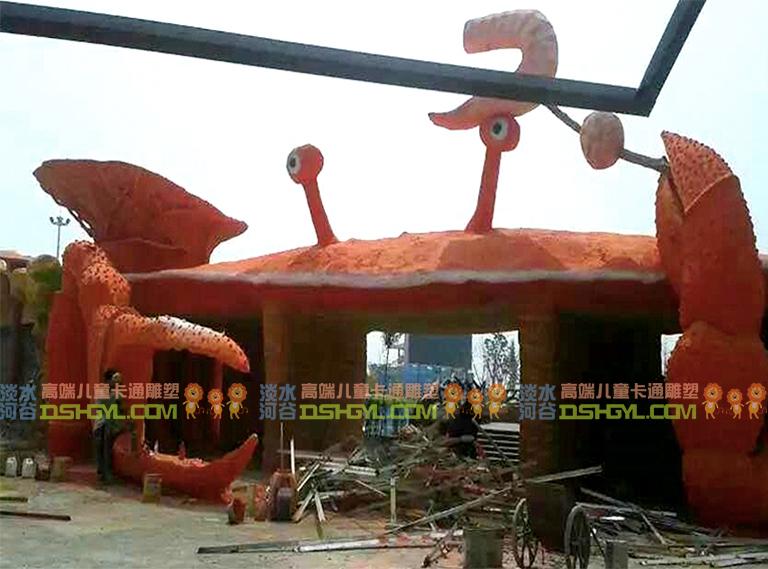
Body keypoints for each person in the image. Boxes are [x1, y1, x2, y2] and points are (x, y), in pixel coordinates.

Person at [93, 369, 134, 484]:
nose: (118, 383)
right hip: (102, 425)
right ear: (108, 380)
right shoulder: (103, 391)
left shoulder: (115, 393)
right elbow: (104, 406)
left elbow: (122, 409)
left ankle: (106, 475)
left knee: (107, 451)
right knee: (103, 452)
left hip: (109, 425)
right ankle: (104, 476)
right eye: (115, 380)